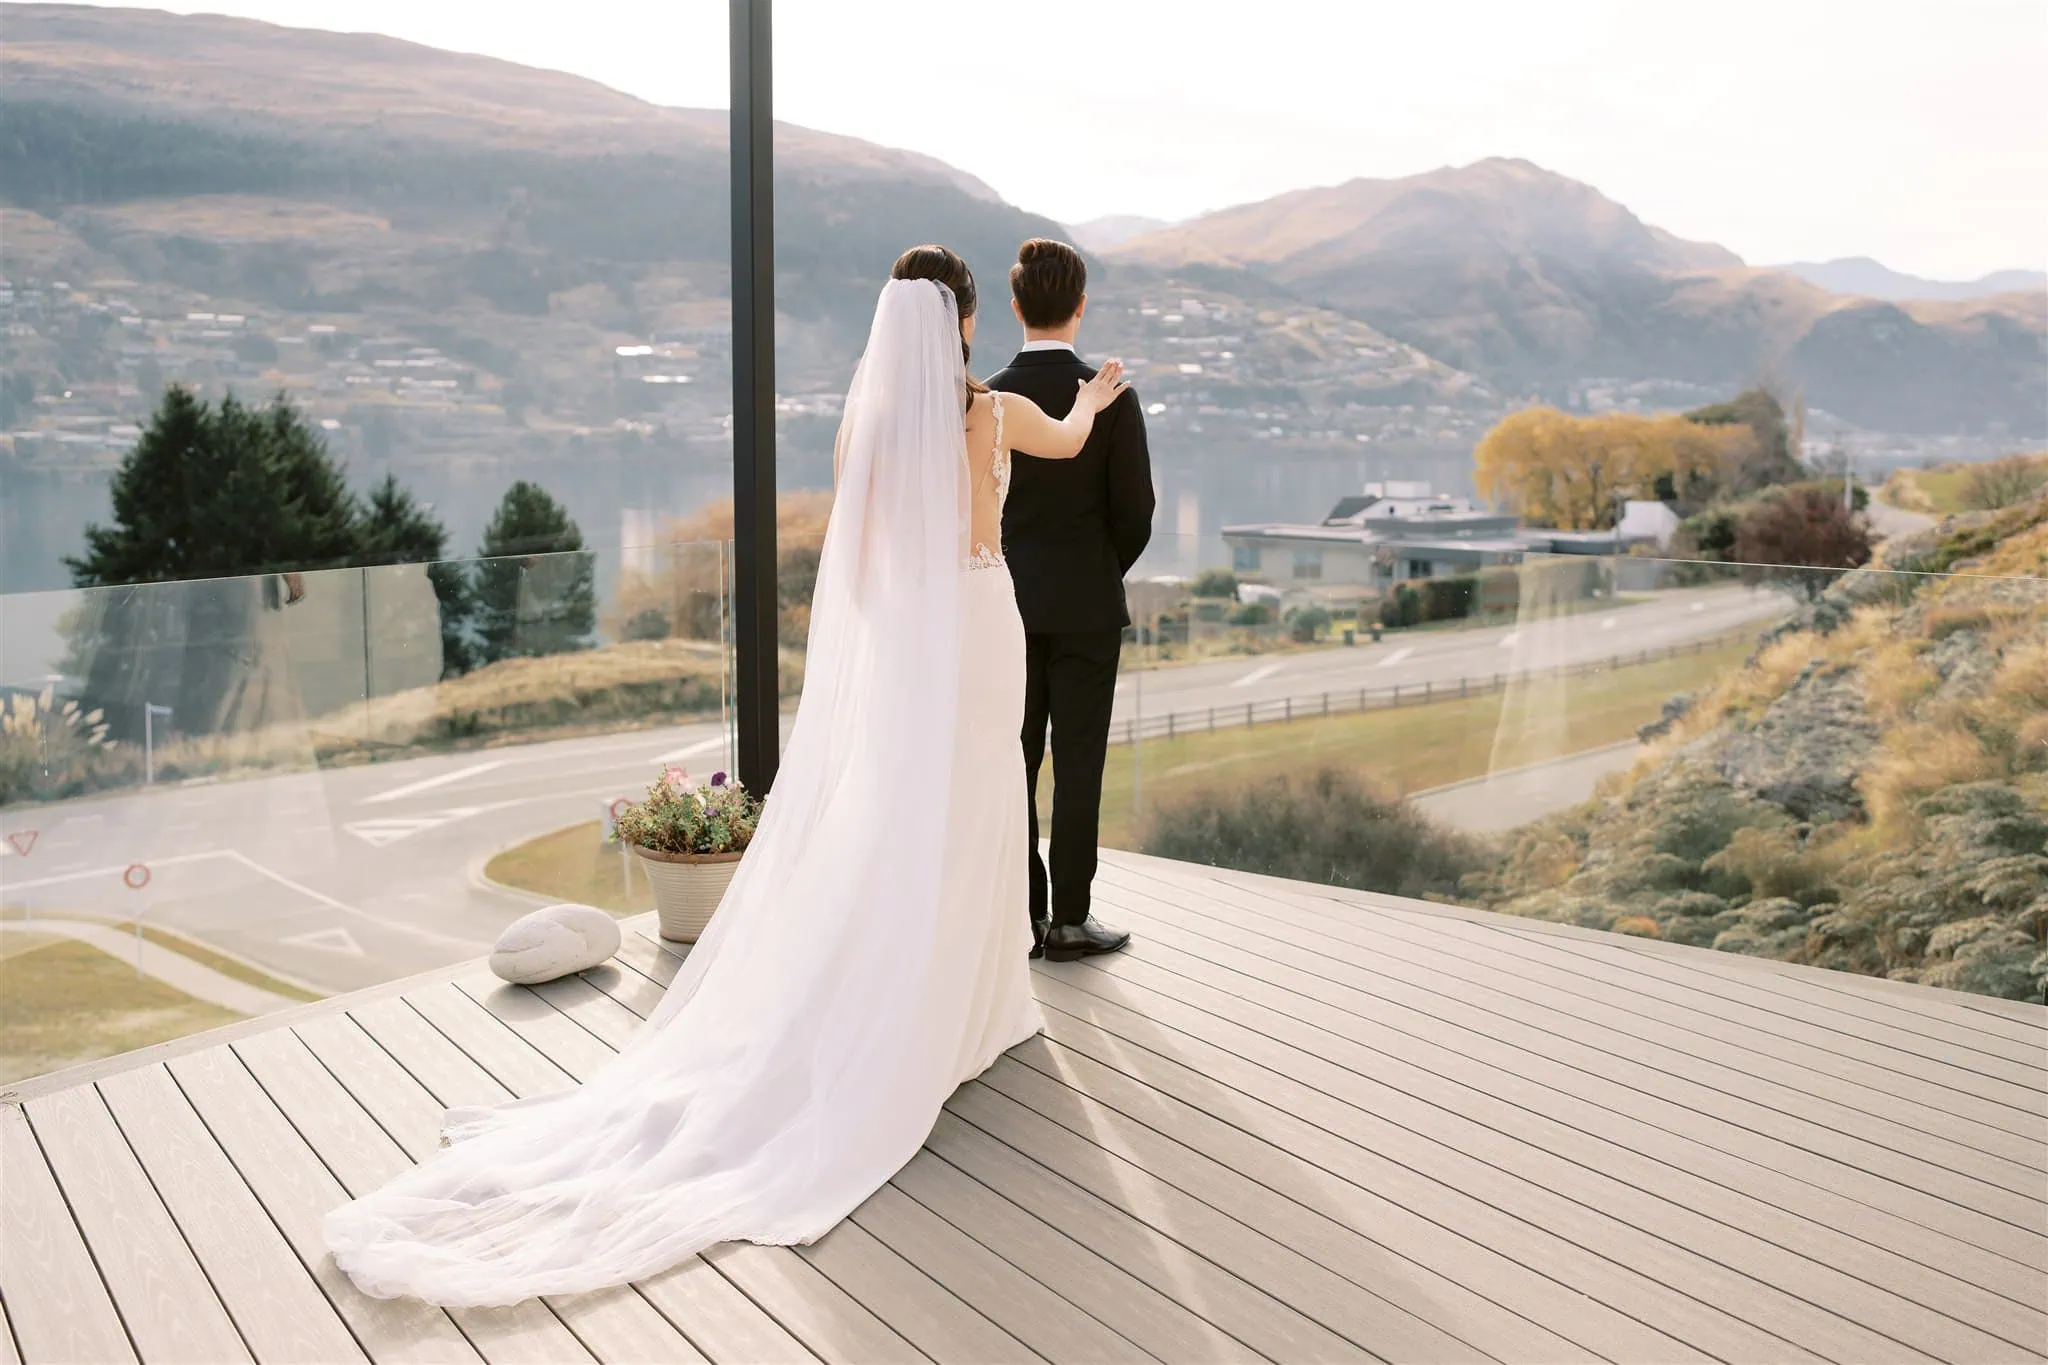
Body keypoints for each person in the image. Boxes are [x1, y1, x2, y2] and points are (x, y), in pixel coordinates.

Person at [321, 246, 1129, 1307]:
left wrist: (888, 650)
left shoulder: (865, 428)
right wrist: (1104, 393)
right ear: (964, 325)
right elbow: (1069, 441)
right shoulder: (989, 415)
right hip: (983, 622)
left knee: (903, 813)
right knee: (981, 800)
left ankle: (935, 994)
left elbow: (865, 561)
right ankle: (975, 1005)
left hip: (913, 635)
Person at [987, 238, 1156, 962]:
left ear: (1016, 305)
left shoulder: (986, 399)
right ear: (1080, 308)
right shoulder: (1113, 397)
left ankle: (1023, 912)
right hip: (1087, 607)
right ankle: (1069, 918)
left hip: (1006, 609)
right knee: (1079, 760)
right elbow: (1137, 514)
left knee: (1013, 760)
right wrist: (1096, 569)